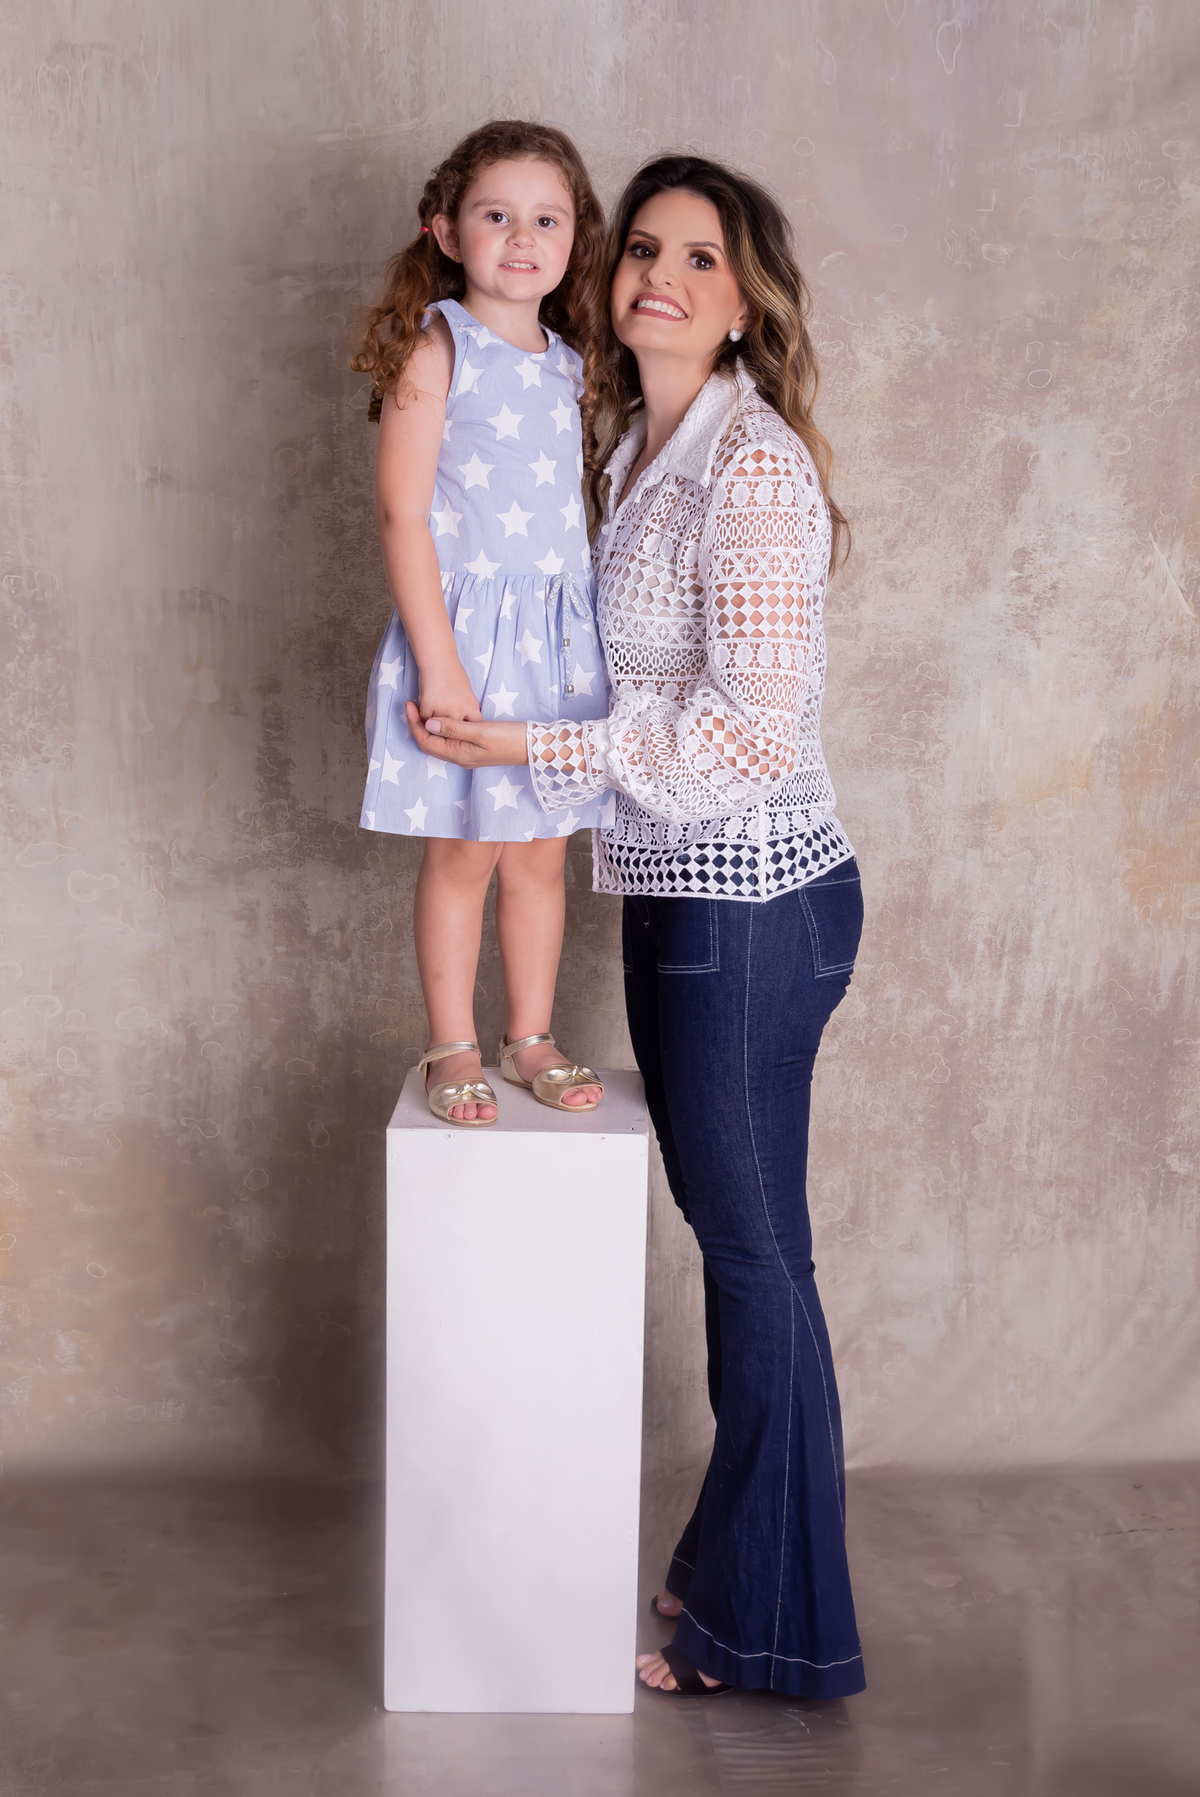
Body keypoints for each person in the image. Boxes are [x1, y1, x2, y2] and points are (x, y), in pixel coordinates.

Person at [409, 154, 866, 1700]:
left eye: (701, 260)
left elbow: (748, 735)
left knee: (755, 1265)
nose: (660, 277)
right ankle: (731, 1576)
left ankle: (773, 1627)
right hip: (675, 896)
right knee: (745, 1254)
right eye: (645, 250)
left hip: (758, 903)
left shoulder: (753, 471)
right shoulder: (628, 449)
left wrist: (535, 753)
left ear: (745, 308)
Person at [351, 120, 611, 1127]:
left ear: (573, 238)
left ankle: (530, 1032)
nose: (521, 237)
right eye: (495, 216)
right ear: (447, 232)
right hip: (468, 643)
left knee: (542, 849)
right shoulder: (436, 348)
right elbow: (402, 512)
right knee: (465, 847)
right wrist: (439, 663)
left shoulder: (571, 360)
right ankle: (451, 1043)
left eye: (545, 219)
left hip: (555, 646)